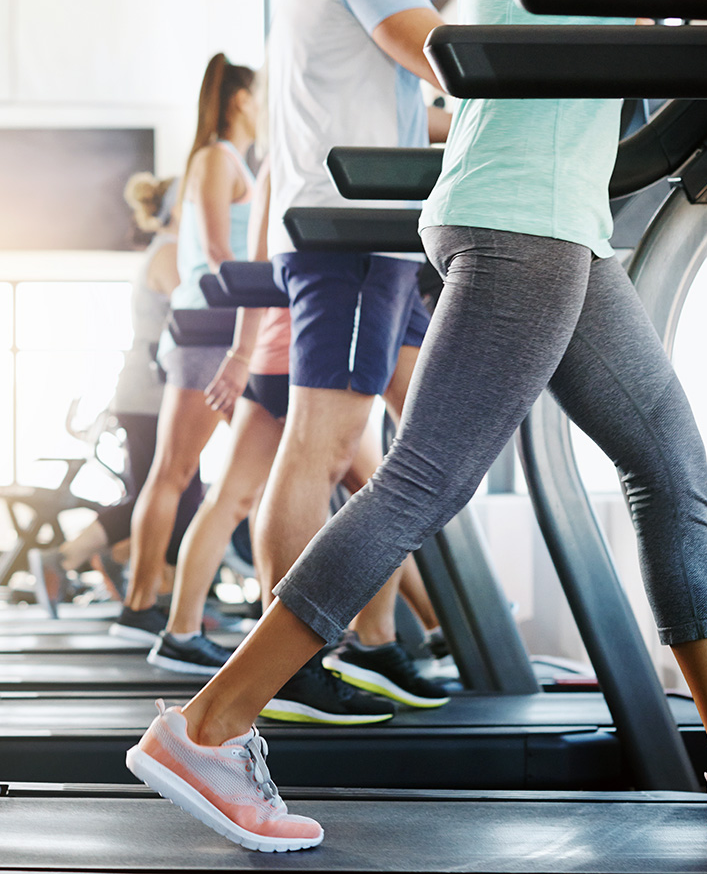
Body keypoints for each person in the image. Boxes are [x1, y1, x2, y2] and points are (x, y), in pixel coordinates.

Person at [125, 0, 707, 854]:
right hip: (523, 217)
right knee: (424, 482)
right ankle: (210, 726)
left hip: (559, 217)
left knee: (668, 466)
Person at [148, 167, 447, 718]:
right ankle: (376, 641)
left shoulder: (274, 165)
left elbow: (257, 257)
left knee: (231, 498)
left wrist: (242, 353)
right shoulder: (286, 162)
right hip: (302, 353)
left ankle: (183, 631)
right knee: (387, 491)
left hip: (270, 353)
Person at [109, 53, 259, 643]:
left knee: (199, 475)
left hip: (214, 326)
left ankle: (148, 603)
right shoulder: (218, 158)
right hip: (215, 328)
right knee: (178, 473)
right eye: (262, 96)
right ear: (242, 100)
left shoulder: (220, 160)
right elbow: (220, 252)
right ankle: (144, 604)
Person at [27, 173, 204, 606]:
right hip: (152, 396)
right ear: (177, 210)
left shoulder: (166, 250)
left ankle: (124, 566)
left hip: (153, 394)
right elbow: (197, 309)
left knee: (167, 496)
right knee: (168, 497)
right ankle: (74, 559)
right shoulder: (169, 253)